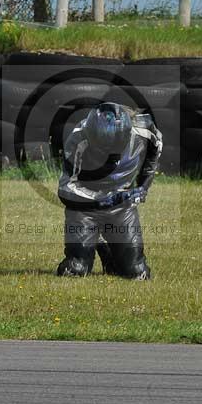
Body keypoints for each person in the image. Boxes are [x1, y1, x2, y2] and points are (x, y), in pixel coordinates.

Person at [57, 102, 162, 280]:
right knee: (75, 269)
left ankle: (108, 251)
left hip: (121, 206)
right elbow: (65, 188)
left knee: (138, 273)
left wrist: (143, 185)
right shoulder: (78, 138)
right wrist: (108, 199)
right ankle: (96, 241)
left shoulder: (144, 128)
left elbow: (156, 149)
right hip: (84, 208)